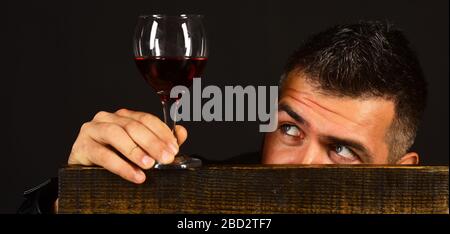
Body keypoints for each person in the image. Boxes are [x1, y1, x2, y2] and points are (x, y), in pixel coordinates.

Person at [18, 21, 427, 213]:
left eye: (342, 149)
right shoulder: (193, 203)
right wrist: (67, 199)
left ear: (403, 173)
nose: (302, 168)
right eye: (289, 129)